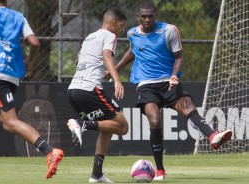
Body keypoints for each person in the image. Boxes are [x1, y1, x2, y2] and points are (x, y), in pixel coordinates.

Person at [110, 0, 233, 181]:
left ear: (156, 16)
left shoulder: (169, 30)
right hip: (145, 84)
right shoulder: (132, 33)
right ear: (138, 17)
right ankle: (160, 170)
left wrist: (175, 75)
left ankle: (213, 135)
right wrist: (116, 68)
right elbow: (133, 51)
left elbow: (179, 57)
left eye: (150, 16)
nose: (147, 19)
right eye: (143, 16)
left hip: (168, 81)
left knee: (187, 107)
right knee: (154, 119)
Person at [0, 0, 63, 183]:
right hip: (12, 77)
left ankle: (49, 150)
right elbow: (34, 43)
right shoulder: (19, 17)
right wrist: (30, 61)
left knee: (9, 123)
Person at [66, 8, 129, 183]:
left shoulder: (89, 37)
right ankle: (82, 124)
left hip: (73, 90)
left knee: (107, 126)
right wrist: (116, 79)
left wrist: (101, 69)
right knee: (123, 126)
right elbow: (107, 55)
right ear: (114, 23)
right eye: (122, 26)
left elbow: (80, 61)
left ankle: (97, 175)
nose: (122, 30)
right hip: (89, 89)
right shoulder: (110, 36)